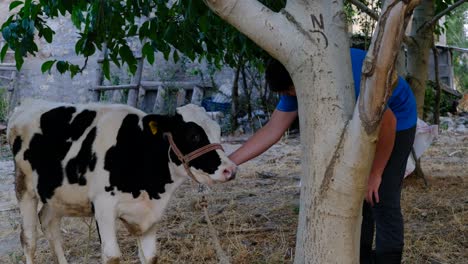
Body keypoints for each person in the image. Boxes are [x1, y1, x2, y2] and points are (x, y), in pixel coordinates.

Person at [228, 48, 417, 264]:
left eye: (289, 92)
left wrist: (376, 173)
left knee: (381, 195)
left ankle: (389, 259)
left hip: (397, 122)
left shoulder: (350, 81)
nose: (289, 97)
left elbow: (388, 122)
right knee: (357, 194)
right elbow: (272, 130)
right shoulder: (299, 80)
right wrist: (228, 162)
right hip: (360, 126)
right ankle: (362, 257)